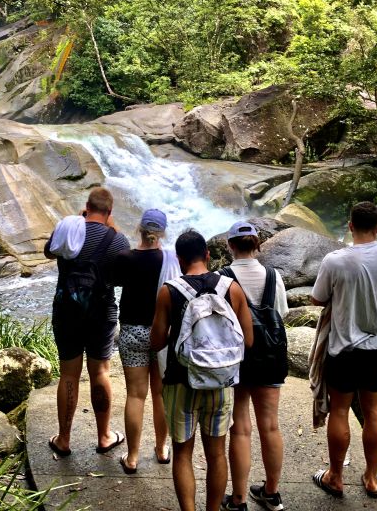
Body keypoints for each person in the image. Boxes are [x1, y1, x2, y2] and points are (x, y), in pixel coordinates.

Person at [310, 201, 377, 498]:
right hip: (376, 348)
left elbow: (317, 300)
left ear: (350, 226)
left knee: (340, 411)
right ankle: (371, 478)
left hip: (342, 348)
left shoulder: (335, 260)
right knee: (373, 412)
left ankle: (335, 477)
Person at [151, 230, 254, 511]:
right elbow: (249, 340)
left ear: (179, 259)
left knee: (183, 454)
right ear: (208, 255)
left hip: (181, 383)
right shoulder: (231, 288)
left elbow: (157, 341)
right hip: (221, 384)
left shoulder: (169, 291)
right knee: (217, 453)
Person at [44, 187, 130, 456]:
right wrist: (112, 228)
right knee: (100, 372)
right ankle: (104, 436)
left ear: (86, 207)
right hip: (101, 313)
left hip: (66, 311)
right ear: (110, 212)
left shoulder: (68, 230)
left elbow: (49, 252)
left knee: (68, 373)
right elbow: (121, 278)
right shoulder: (118, 240)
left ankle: (64, 439)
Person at [219, 222, 288, 511]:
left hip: (239, 357)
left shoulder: (222, 278)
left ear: (230, 246)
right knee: (270, 425)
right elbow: (281, 313)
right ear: (257, 245)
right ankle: (271, 493)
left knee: (241, 426)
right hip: (271, 356)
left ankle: (239, 499)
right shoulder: (274, 276)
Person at [114, 209, 181, 473]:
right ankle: (162, 449)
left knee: (135, 394)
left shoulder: (125, 257)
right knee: (161, 393)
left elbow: (113, 281)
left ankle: (132, 457)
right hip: (162, 333)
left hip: (132, 332)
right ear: (163, 232)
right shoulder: (171, 259)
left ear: (139, 229)